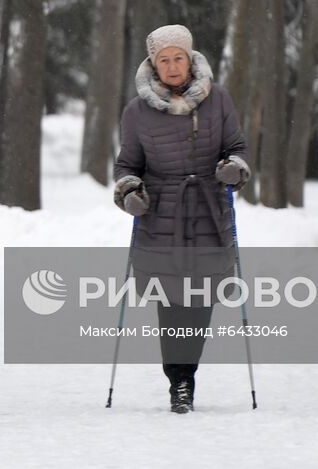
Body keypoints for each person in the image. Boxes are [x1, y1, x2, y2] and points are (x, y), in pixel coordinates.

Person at [112, 23, 250, 414]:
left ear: (190, 59)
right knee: (171, 302)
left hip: (208, 212)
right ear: (153, 65)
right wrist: (129, 191)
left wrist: (234, 168)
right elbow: (126, 165)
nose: (172, 66)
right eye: (164, 60)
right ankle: (180, 382)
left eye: (179, 58)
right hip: (161, 217)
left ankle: (186, 373)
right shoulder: (137, 111)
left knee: (200, 303)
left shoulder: (218, 100)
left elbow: (237, 148)